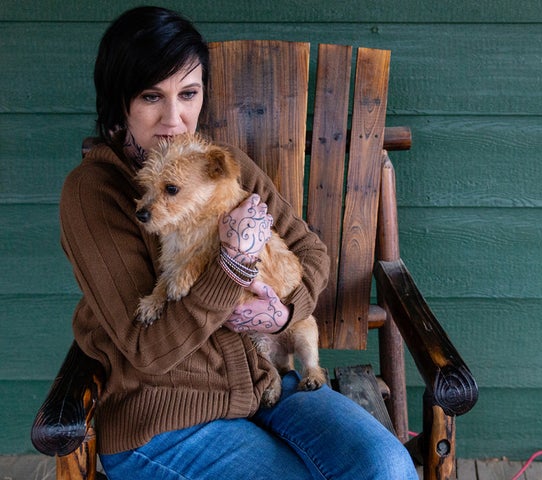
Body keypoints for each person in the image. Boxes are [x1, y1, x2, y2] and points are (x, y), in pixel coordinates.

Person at [59, 6, 418, 479]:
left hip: (266, 384)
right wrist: (233, 266)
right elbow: (149, 350)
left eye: (188, 93)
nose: (174, 117)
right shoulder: (94, 194)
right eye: (151, 96)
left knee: (386, 466)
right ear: (121, 101)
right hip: (170, 420)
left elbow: (310, 253)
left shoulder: (222, 167)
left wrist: (286, 312)